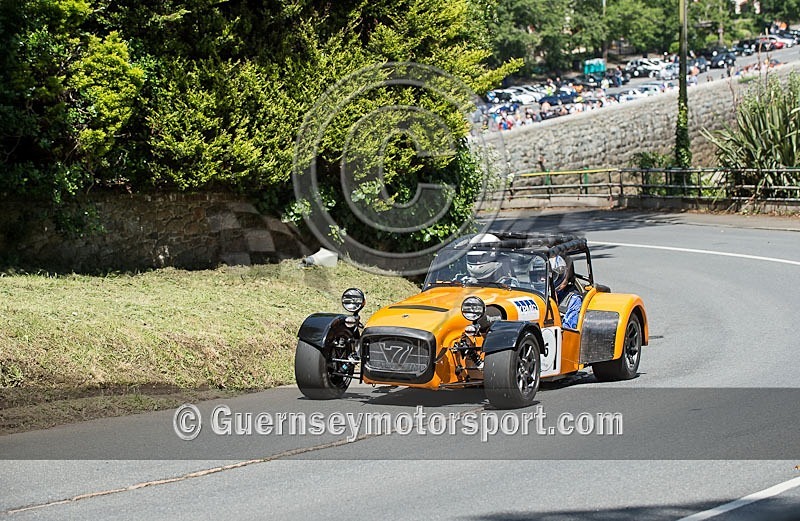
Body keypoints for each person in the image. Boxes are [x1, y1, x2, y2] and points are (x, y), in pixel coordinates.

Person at [550, 255, 582, 329]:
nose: (542, 279)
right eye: (537, 275)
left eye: (553, 276)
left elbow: (569, 331)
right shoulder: (531, 294)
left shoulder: (573, 300)